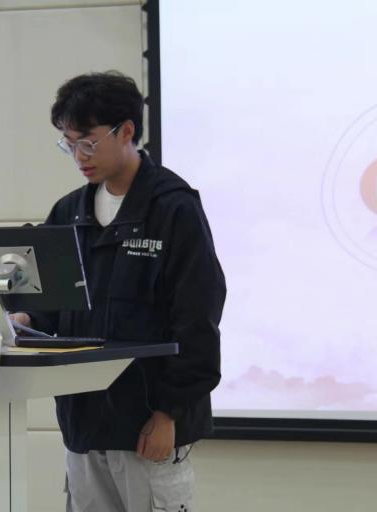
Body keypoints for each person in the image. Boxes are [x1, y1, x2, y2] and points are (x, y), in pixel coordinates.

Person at [12, 71, 226, 512]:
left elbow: (198, 318)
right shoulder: (68, 213)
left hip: (149, 427)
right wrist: (24, 318)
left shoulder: (173, 208)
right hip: (84, 425)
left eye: (88, 143)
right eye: (69, 144)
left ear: (126, 131)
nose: (79, 156)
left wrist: (168, 413)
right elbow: (51, 305)